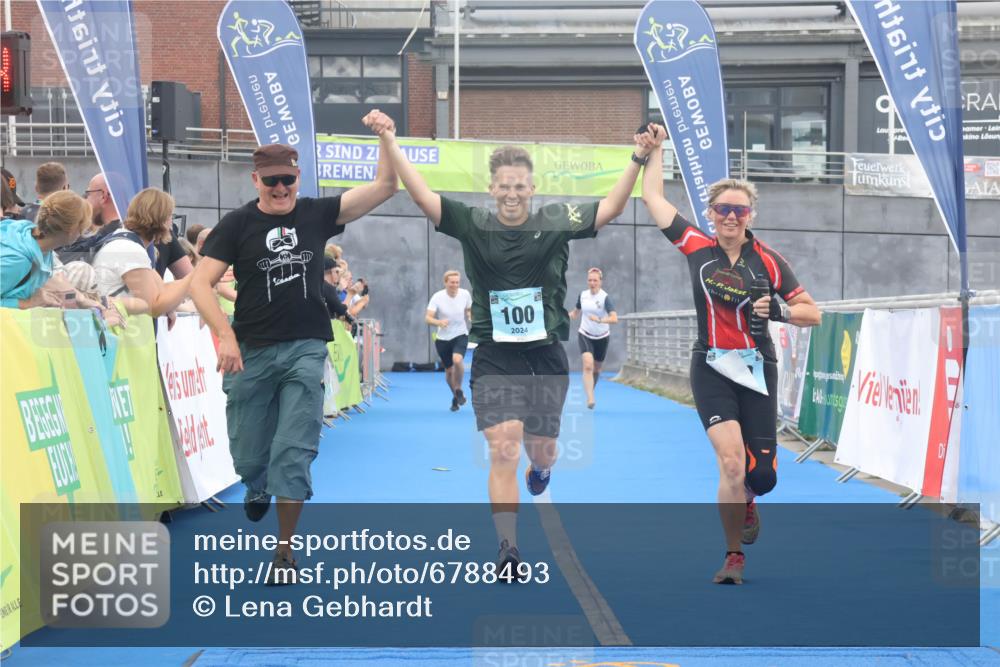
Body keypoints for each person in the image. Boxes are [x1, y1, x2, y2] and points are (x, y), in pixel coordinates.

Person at [366, 110, 651, 577]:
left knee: (542, 452)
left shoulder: (557, 220)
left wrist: (638, 157)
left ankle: (542, 472)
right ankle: (508, 548)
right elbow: (420, 193)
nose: (513, 193)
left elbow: (612, 206)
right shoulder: (472, 222)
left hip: (544, 356)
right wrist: (391, 141)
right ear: (492, 189)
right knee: (504, 446)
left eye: (521, 186)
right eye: (504, 186)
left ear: (532, 189)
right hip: (495, 355)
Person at [189, 124, 397, 585]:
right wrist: (224, 335)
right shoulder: (237, 225)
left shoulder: (317, 214)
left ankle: (284, 550)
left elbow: (386, 186)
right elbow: (199, 284)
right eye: (272, 181)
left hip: (305, 348)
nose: (281, 188)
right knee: (247, 455)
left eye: (289, 179)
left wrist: (386, 137)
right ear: (255, 180)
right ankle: (256, 483)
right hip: (252, 353)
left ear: (298, 178)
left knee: (293, 451)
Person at [639, 123, 821, 585]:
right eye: (722, 210)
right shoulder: (696, 246)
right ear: (711, 213)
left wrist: (779, 309)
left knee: (761, 477)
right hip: (712, 365)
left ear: (750, 215)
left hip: (758, 369)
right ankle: (733, 556)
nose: (730, 218)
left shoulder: (770, 260)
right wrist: (655, 150)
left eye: (738, 211)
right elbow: (653, 200)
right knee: (731, 462)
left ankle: (752, 498)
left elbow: (812, 312)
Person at [1, 190, 116, 322]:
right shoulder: (19, 260)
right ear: (72, 229)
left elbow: (51, 278)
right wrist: (28, 303)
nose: (83, 232)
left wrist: (82, 299)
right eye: (82, 226)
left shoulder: (30, 235)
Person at [91, 188, 193, 320]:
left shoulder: (123, 241)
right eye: (170, 216)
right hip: (121, 336)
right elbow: (153, 306)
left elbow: (161, 290)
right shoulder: (131, 250)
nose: (171, 223)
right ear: (161, 219)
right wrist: (196, 278)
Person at [568, 267, 617, 409]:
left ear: (600, 281)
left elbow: (614, 318)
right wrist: (564, 316)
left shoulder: (604, 298)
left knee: (596, 369)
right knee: (588, 364)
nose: (592, 283)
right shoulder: (583, 295)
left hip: (602, 336)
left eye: (595, 280)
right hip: (585, 334)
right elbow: (576, 313)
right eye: (590, 280)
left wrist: (600, 320)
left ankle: (590, 390)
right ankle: (590, 398)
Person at [425, 270, 472, 411]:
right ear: (445, 282)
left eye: (457, 282)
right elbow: (428, 318)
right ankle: (456, 396)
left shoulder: (465, 294)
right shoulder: (437, 297)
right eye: (452, 282)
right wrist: (438, 322)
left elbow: (469, 309)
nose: (455, 285)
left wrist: (470, 315)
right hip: (443, 339)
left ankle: (458, 389)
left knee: (457, 360)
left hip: (460, 334)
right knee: (449, 371)